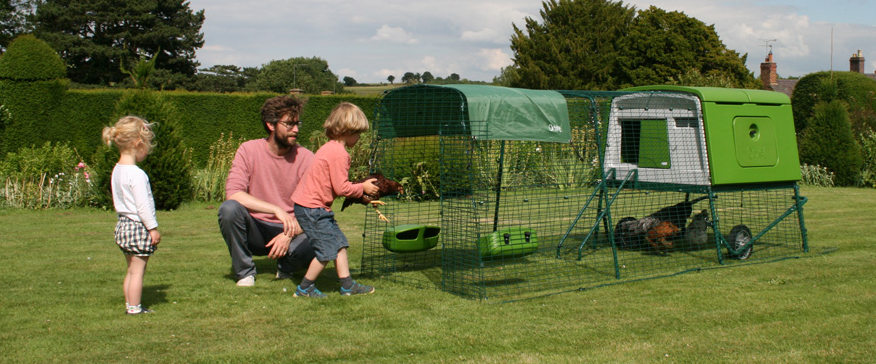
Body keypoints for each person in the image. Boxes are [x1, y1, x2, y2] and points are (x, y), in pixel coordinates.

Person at [218, 95, 317, 287]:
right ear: (271, 125)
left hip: (293, 229)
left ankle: (286, 266)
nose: (295, 130)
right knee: (229, 209)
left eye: (297, 124)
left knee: (320, 235)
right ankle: (245, 272)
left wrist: (288, 234)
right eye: (289, 124)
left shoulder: (306, 158)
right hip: (256, 229)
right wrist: (275, 209)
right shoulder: (248, 150)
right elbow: (234, 193)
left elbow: (316, 208)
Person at [291, 102, 378, 298]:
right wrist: (362, 188)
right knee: (326, 251)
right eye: (359, 133)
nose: (359, 138)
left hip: (311, 207)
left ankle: (347, 285)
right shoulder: (340, 154)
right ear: (349, 130)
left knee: (339, 243)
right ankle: (305, 288)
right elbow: (342, 188)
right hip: (313, 209)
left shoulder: (329, 148)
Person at [102, 116, 161, 315]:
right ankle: (135, 308)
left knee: (130, 269)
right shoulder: (136, 174)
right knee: (138, 271)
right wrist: (152, 228)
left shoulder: (117, 170)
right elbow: (142, 206)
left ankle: (130, 305)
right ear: (138, 143)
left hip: (122, 225)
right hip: (137, 226)